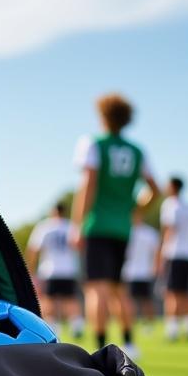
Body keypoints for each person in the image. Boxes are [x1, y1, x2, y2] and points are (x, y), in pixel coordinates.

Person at [70, 94, 161, 356]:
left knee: (96, 288)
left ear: (102, 115)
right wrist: (135, 211)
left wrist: (77, 224)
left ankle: (99, 346)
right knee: (119, 288)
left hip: (98, 225)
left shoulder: (93, 143)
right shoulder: (137, 151)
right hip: (122, 228)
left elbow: (88, 184)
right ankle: (130, 342)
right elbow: (154, 189)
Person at [25, 201, 84, 338]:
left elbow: (33, 250)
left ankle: (52, 329)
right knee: (70, 299)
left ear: (53, 212)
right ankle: (76, 324)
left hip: (49, 270)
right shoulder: (71, 226)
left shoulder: (44, 226)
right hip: (69, 269)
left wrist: (30, 270)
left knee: (48, 300)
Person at [156, 177, 188, 341]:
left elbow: (170, 230)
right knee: (185, 293)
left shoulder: (170, 205)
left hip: (175, 254)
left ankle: (172, 330)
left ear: (172, 187)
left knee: (171, 293)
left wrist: (160, 255)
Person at [123, 219, 160, 328]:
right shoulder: (125, 230)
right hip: (128, 272)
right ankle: (131, 324)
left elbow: (157, 252)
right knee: (129, 301)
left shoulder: (150, 233)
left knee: (146, 300)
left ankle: (149, 324)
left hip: (145, 272)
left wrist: (155, 267)